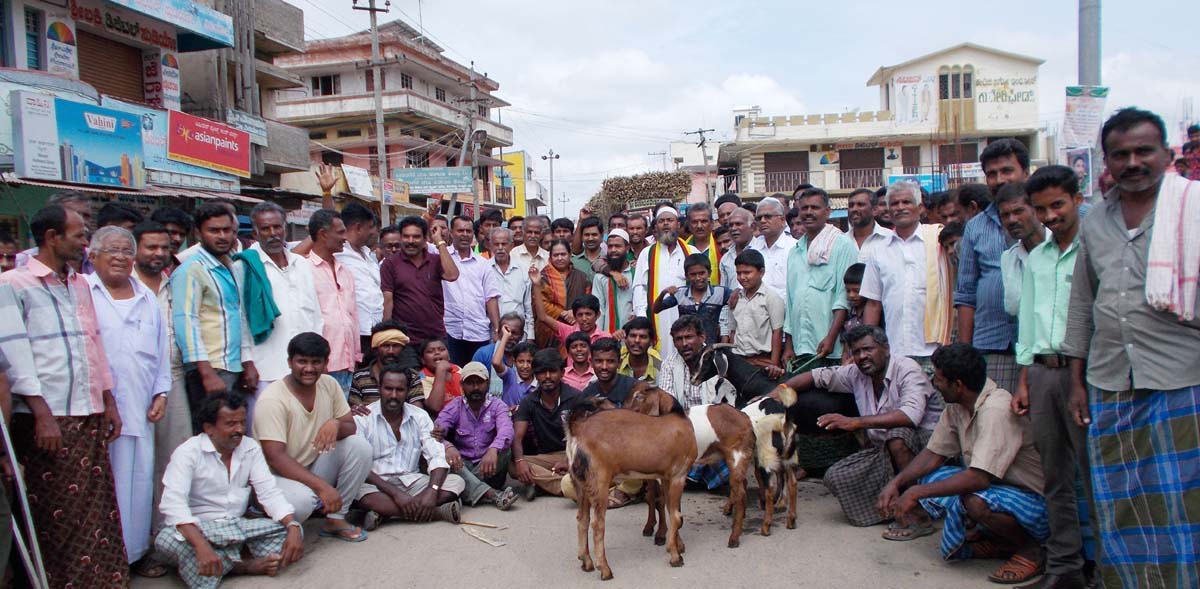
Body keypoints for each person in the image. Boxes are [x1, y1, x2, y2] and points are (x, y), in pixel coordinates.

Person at [1063, 108, 1200, 589]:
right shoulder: (1096, 221)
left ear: (1167, 153)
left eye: (1144, 151)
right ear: (1108, 160)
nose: (1133, 162)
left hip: (1183, 377)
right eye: (1121, 154)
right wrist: (1076, 380)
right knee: (1120, 499)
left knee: (1186, 502)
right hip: (1109, 380)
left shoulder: (1193, 210)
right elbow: (1082, 304)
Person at [0, 204, 128, 586]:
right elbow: (15, 353)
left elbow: (95, 343)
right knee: (61, 511)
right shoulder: (13, 285)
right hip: (49, 416)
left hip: (88, 411)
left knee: (97, 507)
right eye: (78, 235)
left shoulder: (80, 284)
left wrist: (109, 401)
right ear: (52, 238)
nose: (85, 242)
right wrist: (41, 414)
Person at [878, 344, 1048, 585]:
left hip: (1031, 499)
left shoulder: (996, 409)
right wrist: (897, 483)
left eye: (938, 379)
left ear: (958, 385)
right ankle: (1000, 539)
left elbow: (979, 478)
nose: (934, 383)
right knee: (929, 476)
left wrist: (915, 492)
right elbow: (933, 454)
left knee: (974, 500)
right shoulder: (958, 404)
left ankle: (1031, 549)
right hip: (996, 488)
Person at [1008, 165, 1091, 589]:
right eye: (1041, 209)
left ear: (1077, 198)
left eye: (1057, 205)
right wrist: (1023, 379)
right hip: (1041, 374)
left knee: (1094, 477)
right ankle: (1065, 570)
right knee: (1055, 478)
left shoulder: (1094, 248)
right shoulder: (1037, 257)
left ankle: (1107, 567)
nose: (1050, 216)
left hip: (1086, 376)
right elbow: (1028, 322)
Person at [780, 326, 940, 527]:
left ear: (887, 349)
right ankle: (893, 504)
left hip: (926, 449)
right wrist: (778, 392)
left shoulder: (908, 369)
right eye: (856, 352)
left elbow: (909, 416)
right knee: (835, 477)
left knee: (898, 436)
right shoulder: (856, 373)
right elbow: (815, 376)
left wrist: (855, 422)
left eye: (868, 349)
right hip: (884, 450)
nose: (862, 356)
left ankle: (916, 515)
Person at [86, 226, 172, 573]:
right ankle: (101, 560)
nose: (120, 257)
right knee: (100, 484)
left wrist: (161, 391)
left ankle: (133, 555)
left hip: (139, 406)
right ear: (92, 256)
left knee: (138, 482)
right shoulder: (82, 292)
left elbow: (160, 351)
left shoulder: (146, 298)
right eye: (111, 250)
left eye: (125, 250)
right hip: (94, 410)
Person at [156, 393, 303, 589]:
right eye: (231, 424)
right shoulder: (188, 453)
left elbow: (269, 493)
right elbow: (173, 506)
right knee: (166, 541)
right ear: (209, 428)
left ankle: (222, 559)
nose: (240, 430)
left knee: (291, 532)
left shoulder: (250, 448)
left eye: (242, 422)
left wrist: (292, 525)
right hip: (201, 529)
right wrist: (201, 546)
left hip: (236, 527)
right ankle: (241, 565)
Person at [254, 333, 372, 541]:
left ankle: (335, 518)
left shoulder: (329, 384)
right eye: (302, 361)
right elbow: (274, 457)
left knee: (360, 446)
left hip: (312, 467)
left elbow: (350, 427)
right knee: (302, 502)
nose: (309, 368)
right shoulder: (273, 399)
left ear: (326, 363)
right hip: (276, 477)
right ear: (290, 362)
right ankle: (263, 514)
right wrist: (322, 487)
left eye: (316, 362)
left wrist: (335, 424)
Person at [955, 139, 1031, 392]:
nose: (999, 180)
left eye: (1007, 171)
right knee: (995, 422)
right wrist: (965, 355)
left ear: (1026, 173)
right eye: (992, 174)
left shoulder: (1049, 218)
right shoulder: (976, 227)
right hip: (992, 345)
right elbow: (966, 293)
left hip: (1042, 347)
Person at [172, 204, 257, 434]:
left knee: (230, 434)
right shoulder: (191, 270)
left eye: (227, 230)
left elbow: (238, 318)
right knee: (210, 436)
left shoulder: (230, 266)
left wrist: (246, 362)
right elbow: (186, 323)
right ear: (198, 233)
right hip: (208, 370)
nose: (222, 236)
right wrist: (206, 373)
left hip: (231, 367)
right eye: (214, 230)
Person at [352, 365, 465, 528]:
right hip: (376, 483)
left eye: (399, 390)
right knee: (358, 491)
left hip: (411, 482)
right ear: (379, 388)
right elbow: (359, 465)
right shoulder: (363, 418)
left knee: (456, 482)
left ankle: (384, 513)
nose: (393, 395)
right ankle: (436, 512)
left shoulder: (419, 416)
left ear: (407, 391)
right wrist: (395, 494)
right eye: (388, 389)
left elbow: (436, 456)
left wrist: (432, 491)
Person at [862, 181, 954, 371]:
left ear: (920, 208)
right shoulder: (878, 250)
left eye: (906, 202)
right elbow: (873, 303)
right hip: (896, 351)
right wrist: (867, 346)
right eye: (895, 204)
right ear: (888, 210)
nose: (900, 207)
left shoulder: (939, 240)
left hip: (938, 349)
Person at [245, 203, 323, 415]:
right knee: (267, 434)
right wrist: (247, 362)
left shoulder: (301, 263)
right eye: (265, 229)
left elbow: (315, 315)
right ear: (255, 233)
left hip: (305, 369)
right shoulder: (246, 267)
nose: (273, 234)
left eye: (277, 227)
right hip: (266, 368)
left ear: (285, 229)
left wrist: (318, 359)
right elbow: (242, 319)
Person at [784, 187, 856, 368]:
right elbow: (791, 301)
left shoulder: (842, 245)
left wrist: (831, 338)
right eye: (804, 208)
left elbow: (843, 297)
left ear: (827, 212)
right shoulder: (795, 251)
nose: (808, 212)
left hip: (831, 348)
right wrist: (789, 346)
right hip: (801, 349)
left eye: (814, 208)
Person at [435, 362, 518, 510]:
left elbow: (507, 431)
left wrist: (493, 449)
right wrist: (448, 447)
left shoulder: (497, 405)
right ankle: (492, 495)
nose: (475, 388)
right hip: (463, 466)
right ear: (462, 385)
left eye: (479, 382)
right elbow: (436, 432)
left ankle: (466, 490)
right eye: (470, 383)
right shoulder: (455, 406)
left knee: (505, 450)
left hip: (489, 469)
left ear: (487, 383)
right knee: (446, 457)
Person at [511, 349, 587, 498]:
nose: (547, 377)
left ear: (562, 372)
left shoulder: (576, 398)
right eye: (541, 372)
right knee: (513, 464)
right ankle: (566, 486)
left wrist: (568, 461)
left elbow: (587, 438)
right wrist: (520, 461)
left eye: (552, 371)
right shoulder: (529, 401)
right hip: (546, 458)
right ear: (535, 374)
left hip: (575, 454)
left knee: (588, 463)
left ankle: (544, 484)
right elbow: (517, 438)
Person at [381, 216, 460, 348]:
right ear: (400, 238)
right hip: (405, 340)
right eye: (406, 236)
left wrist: (439, 242)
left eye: (416, 237)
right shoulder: (390, 264)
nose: (410, 241)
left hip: (436, 337)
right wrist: (387, 336)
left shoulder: (435, 260)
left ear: (425, 239)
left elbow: (452, 275)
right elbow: (388, 302)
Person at [305, 210, 360, 395]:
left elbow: (353, 315)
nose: (345, 238)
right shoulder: (303, 269)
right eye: (340, 232)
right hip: (319, 364)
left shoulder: (345, 271)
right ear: (323, 234)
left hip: (347, 362)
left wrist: (356, 354)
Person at [633, 204, 696, 357]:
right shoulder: (647, 254)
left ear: (678, 224)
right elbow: (639, 288)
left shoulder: (692, 252)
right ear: (656, 227)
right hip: (656, 318)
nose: (666, 224)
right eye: (661, 221)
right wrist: (642, 317)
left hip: (684, 317)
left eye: (670, 220)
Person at [443, 215, 501, 365]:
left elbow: (491, 298)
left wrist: (496, 329)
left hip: (478, 331)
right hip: (450, 330)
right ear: (451, 232)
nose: (464, 234)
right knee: (454, 377)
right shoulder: (440, 257)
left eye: (468, 231)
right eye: (460, 230)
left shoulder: (483, 264)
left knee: (479, 377)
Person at [334, 203, 384, 357]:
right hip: (354, 332)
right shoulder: (338, 252)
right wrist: (327, 193)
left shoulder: (369, 255)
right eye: (370, 227)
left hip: (376, 331)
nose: (374, 232)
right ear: (357, 227)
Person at [727, 249, 785, 377]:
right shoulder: (735, 299)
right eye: (739, 273)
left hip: (763, 361)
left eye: (747, 272)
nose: (742, 277)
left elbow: (777, 332)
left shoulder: (771, 298)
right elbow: (732, 331)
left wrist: (774, 364)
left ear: (761, 272)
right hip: (739, 360)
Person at [654, 253, 731, 346]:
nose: (698, 278)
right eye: (693, 274)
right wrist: (663, 293)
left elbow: (739, 298)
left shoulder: (720, 292)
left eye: (702, 273)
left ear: (709, 273)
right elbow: (656, 309)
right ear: (686, 276)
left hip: (711, 348)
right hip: (687, 347)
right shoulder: (680, 293)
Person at [659, 314, 733, 409]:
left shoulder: (718, 360)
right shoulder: (669, 364)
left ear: (702, 338)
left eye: (689, 337)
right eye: (679, 339)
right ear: (674, 343)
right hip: (682, 420)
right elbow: (667, 403)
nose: (684, 344)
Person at [996, 184, 1049, 317]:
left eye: (1018, 211)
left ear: (1035, 210)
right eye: (1005, 215)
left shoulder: (1064, 249)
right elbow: (1013, 309)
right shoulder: (1008, 259)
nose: (1012, 220)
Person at [13, 191, 96, 274]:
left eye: (86, 216)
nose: (82, 221)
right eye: (75, 214)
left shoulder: (99, 259)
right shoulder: (22, 261)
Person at [532, 239, 591, 349]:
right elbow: (539, 304)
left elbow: (588, 301)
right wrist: (563, 313)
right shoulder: (542, 278)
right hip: (548, 331)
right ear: (550, 257)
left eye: (563, 254)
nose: (560, 258)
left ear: (570, 255)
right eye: (556, 255)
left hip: (576, 327)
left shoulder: (581, 277)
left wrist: (575, 313)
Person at [349, 321, 420, 408]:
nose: (390, 351)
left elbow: (417, 410)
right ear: (375, 349)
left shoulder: (412, 376)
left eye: (396, 346)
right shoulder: (359, 377)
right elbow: (355, 410)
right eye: (385, 346)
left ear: (403, 348)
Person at [488, 228, 534, 341]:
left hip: (518, 334)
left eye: (504, 244)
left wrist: (530, 335)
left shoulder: (523, 268)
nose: (500, 248)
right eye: (496, 244)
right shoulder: (484, 269)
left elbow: (528, 306)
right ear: (490, 245)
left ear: (511, 245)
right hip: (493, 333)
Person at [748, 196, 797, 303]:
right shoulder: (752, 250)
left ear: (782, 220)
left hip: (786, 312)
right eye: (759, 218)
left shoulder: (794, 249)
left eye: (768, 216)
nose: (763, 221)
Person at [470, 312, 527, 395]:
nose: (509, 336)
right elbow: (473, 383)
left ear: (521, 335)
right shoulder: (483, 354)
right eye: (506, 332)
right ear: (499, 333)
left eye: (514, 333)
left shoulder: (526, 357)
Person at [593, 228, 634, 337]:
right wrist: (599, 337)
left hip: (633, 335)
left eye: (618, 246)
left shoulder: (636, 273)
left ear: (627, 248)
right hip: (608, 336)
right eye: (610, 246)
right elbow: (599, 310)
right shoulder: (600, 277)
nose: (613, 250)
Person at [847, 188, 894, 263]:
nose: (854, 209)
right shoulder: (840, 241)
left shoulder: (891, 239)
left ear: (874, 210)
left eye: (860, 204)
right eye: (851, 205)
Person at [418, 338, 461, 413]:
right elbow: (435, 407)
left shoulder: (458, 369)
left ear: (449, 356)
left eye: (441, 349)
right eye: (430, 351)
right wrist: (441, 370)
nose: (437, 353)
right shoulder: (421, 377)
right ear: (423, 360)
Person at [493, 334, 537, 407]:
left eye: (529, 362)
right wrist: (505, 337)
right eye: (521, 362)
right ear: (514, 362)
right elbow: (496, 363)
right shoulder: (510, 376)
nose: (525, 366)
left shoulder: (539, 382)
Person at [719, 207, 755, 292]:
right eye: (730, 225)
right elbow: (724, 290)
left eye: (738, 224)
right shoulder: (726, 258)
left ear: (752, 227)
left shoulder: (762, 251)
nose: (733, 228)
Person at [685, 203, 720, 284]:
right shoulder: (682, 248)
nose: (699, 226)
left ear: (712, 223)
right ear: (689, 225)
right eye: (694, 222)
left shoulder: (721, 246)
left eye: (704, 221)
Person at [619, 316, 661, 383]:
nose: (637, 340)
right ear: (625, 339)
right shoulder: (616, 366)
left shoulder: (661, 369)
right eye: (633, 336)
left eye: (643, 337)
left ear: (651, 342)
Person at [151, 205, 193, 271]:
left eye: (182, 235)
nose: (178, 239)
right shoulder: (137, 266)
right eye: (172, 232)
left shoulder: (185, 268)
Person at [571, 216, 605, 282]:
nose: (590, 238)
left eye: (594, 234)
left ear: (602, 235)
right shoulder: (573, 263)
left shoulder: (609, 261)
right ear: (581, 237)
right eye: (586, 235)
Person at [841, 263, 868, 342]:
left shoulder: (875, 314)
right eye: (848, 291)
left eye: (857, 291)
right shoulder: (849, 312)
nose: (851, 295)